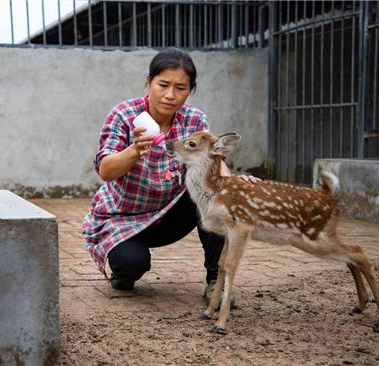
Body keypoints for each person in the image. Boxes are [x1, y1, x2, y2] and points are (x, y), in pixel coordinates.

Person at [81, 48, 259, 301]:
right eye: (163, 84)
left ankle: (216, 282)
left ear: (190, 90)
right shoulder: (124, 114)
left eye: (181, 88)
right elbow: (106, 171)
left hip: (172, 212)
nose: (170, 95)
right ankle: (123, 273)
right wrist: (134, 150)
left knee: (213, 194)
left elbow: (213, 163)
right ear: (149, 82)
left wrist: (232, 185)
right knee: (132, 263)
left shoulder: (195, 119)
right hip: (124, 217)